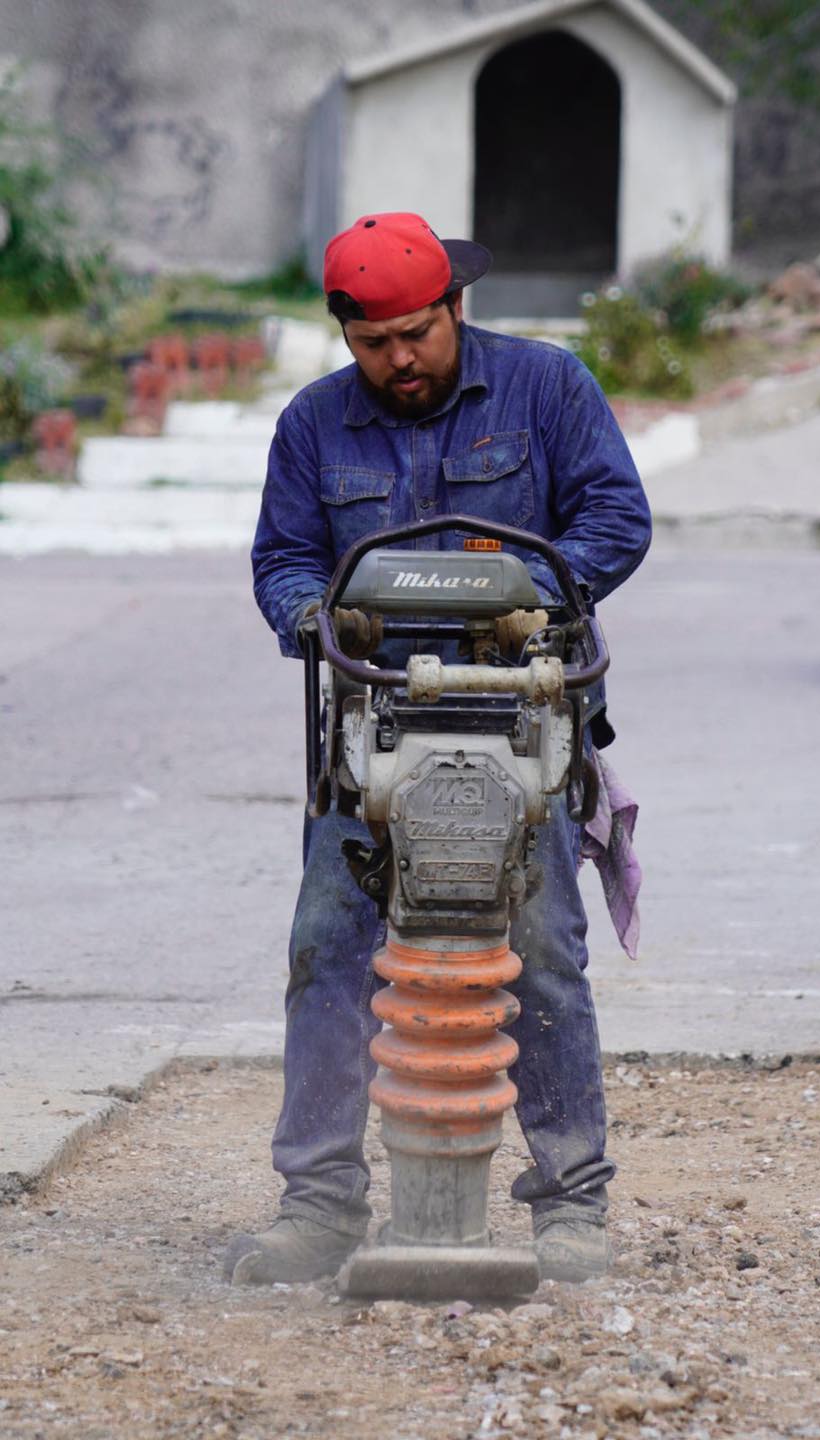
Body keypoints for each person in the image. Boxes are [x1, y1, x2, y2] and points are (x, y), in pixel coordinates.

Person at [226, 212, 651, 1287]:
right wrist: (318, 616)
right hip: (370, 733)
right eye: (372, 345)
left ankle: (570, 1205)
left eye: (415, 334)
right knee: (330, 947)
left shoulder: (547, 390)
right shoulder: (314, 424)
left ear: (454, 308)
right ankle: (319, 1204)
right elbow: (280, 556)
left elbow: (617, 514)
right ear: (344, 336)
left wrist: (539, 594)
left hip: (521, 718)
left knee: (542, 948)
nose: (397, 361)